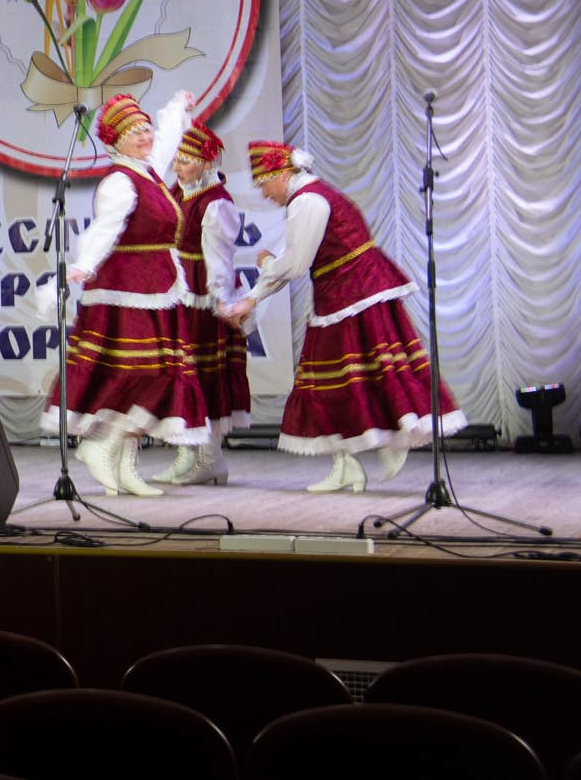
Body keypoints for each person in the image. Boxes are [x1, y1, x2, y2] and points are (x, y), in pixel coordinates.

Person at [219, 141, 464, 491]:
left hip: (357, 296)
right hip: (339, 297)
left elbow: (296, 263)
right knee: (332, 383)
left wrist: (260, 282)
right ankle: (346, 463)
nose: (264, 193)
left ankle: (395, 437)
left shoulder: (308, 201)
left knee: (375, 373)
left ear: (282, 174)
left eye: (263, 183)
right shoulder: (309, 197)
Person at [42, 90, 202, 497]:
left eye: (146, 128)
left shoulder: (147, 169)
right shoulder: (120, 180)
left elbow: (165, 140)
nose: (145, 137)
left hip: (155, 287)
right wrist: (84, 264)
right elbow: (106, 228)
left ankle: (126, 465)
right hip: (123, 292)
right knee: (137, 373)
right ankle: (101, 445)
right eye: (135, 132)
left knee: (160, 375)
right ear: (115, 141)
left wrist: (176, 108)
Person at [158, 122, 252, 486]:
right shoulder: (176, 193)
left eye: (187, 161)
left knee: (204, 377)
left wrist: (222, 304)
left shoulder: (216, 205)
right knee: (180, 377)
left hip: (202, 299)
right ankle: (186, 454)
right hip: (178, 292)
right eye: (177, 160)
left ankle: (211, 459)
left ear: (206, 163)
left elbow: (219, 261)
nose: (179, 168)